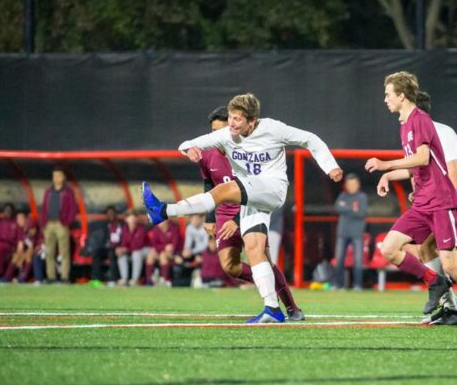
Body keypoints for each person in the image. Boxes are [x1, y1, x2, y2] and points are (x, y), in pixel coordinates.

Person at [143, 93, 342, 323]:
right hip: (251, 198)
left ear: (252, 120)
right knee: (255, 249)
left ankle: (165, 211)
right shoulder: (227, 134)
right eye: (231, 117)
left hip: (273, 189)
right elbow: (188, 143)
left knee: (224, 190)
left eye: (238, 119)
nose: (232, 123)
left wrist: (330, 166)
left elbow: (310, 139)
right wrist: (189, 149)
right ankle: (272, 308)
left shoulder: (273, 129)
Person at [365, 71, 457, 328]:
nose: (385, 100)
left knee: (451, 264)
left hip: (441, 202)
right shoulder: (405, 123)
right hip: (423, 203)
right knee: (389, 248)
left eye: (388, 94)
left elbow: (422, 158)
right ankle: (435, 282)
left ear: (401, 96)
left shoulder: (421, 119)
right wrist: (389, 176)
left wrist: (385, 165)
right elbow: (418, 167)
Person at [197, 106, 304, 319]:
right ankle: (266, 281)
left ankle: (291, 308)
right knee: (230, 266)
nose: (216, 137)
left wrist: (237, 220)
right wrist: (210, 218)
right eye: (213, 132)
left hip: (251, 209)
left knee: (263, 258)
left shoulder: (249, 152)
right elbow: (209, 184)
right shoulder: (206, 154)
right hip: (224, 213)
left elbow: (257, 189)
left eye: (221, 131)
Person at [41, 167, 78, 283]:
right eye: (54, 176)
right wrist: (43, 224)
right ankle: (51, 276)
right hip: (49, 224)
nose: (56, 178)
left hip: (61, 224)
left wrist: (67, 222)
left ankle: (64, 276)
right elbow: (43, 208)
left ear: (63, 178)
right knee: (49, 252)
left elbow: (73, 208)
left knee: (64, 252)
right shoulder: (48, 191)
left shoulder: (68, 192)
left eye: (58, 176)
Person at [333, 173, 368, 290]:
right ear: (346, 185)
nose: (352, 186)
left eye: (354, 184)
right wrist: (352, 208)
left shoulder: (362, 197)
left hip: (357, 234)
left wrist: (346, 208)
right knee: (339, 259)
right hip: (342, 233)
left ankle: (357, 285)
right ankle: (338, 285)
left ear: (358, 185)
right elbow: (337, 208)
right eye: (349, 184)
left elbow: (361, 213)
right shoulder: (343, 195)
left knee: (358, 261)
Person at [87, 206, 122, 287]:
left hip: (117, 247)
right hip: (106, 247)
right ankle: (96, 279)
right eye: (109, 214)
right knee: (96, 253)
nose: (111, 215)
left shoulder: (120, 225)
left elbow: (123, 238)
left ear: (115, 214)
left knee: (112, 254)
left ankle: (113, 279)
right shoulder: (105, 225)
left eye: (112, 214)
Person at [116, 209, 150, 286]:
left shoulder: (141, 228)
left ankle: (135, 279)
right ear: (126, 219)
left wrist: (126, 249)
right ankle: (124, 279)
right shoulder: (124, 229)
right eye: (130, 217)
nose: (132, 219)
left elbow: (138, 245)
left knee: (136, 253)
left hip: (146, 250)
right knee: (121, 254)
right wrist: (121, 249)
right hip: (132, 250)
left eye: (134, 217)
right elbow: (124, 243)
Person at [145, 219, 180, 286]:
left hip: (173, 253)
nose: (159, 223)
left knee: (162, 255)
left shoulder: (173, 228)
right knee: (150, 255)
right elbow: (154, 245)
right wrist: (164, 247)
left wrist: (165, 248)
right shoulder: (156, 229)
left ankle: (164, 279)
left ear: (166, 221)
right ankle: (149, 280)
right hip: (161, 251)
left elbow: (174, 245)